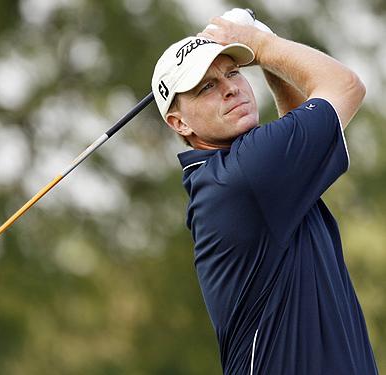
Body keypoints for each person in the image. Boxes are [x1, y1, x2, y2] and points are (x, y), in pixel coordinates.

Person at [151, 9, 378, 375]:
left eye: (234, 72)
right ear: (179, 122)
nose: (230, 88)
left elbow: (298, 139)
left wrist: (268, 60)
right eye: (206, 86)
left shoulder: (234, 176)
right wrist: (261, 45)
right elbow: (347, 85)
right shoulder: (245, 174)